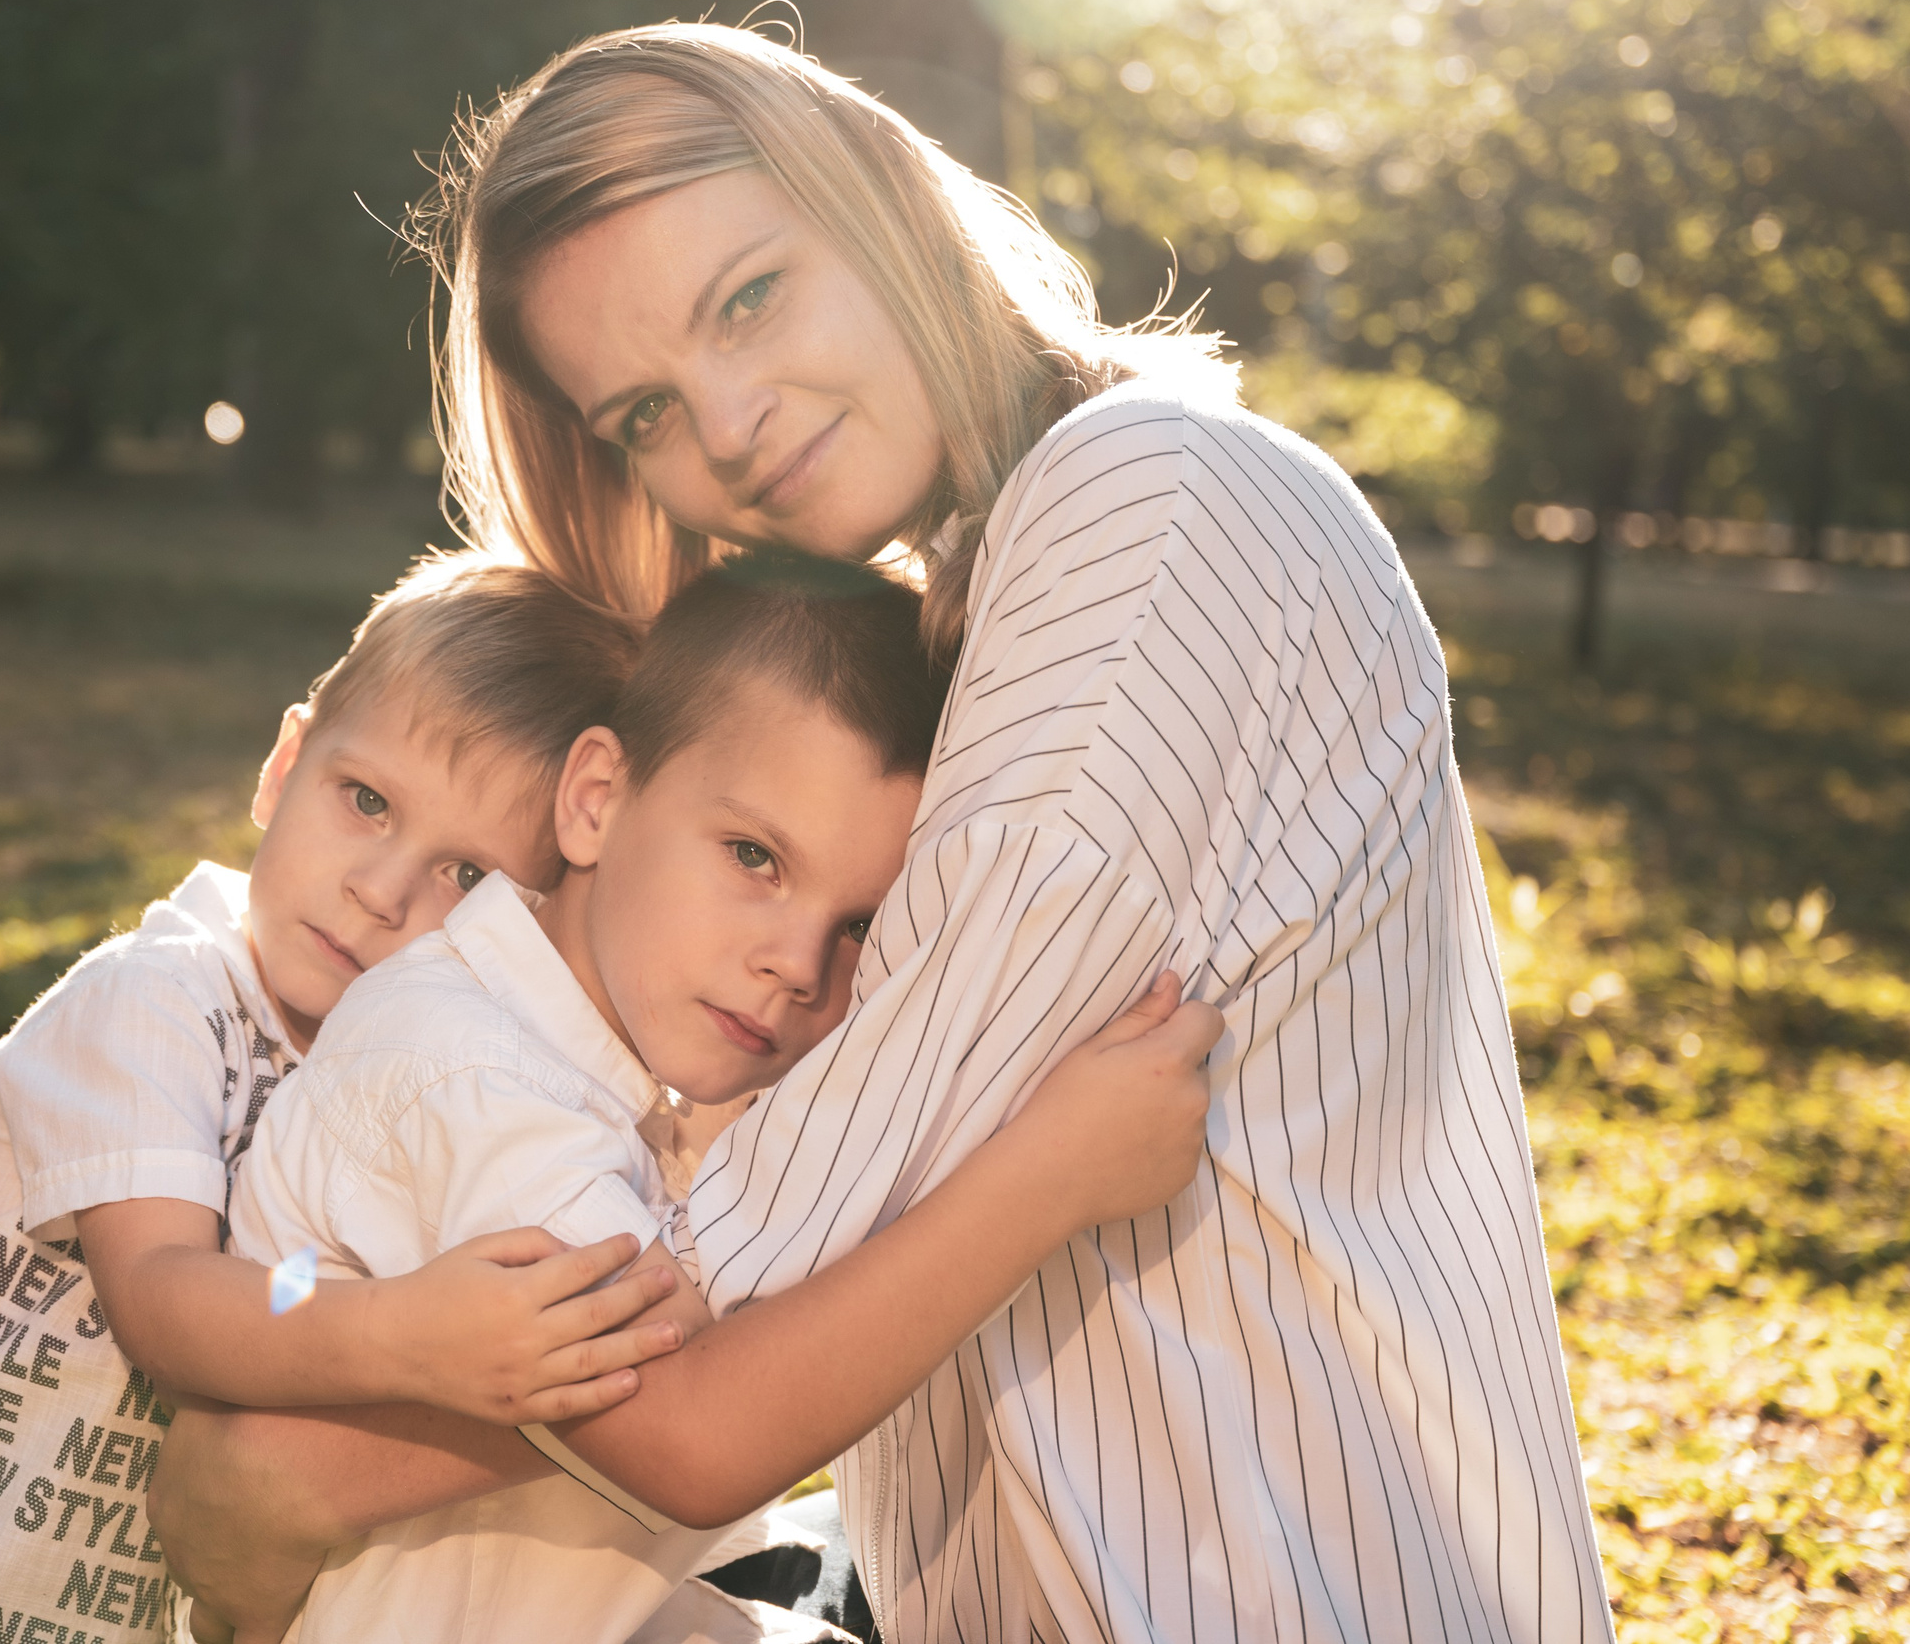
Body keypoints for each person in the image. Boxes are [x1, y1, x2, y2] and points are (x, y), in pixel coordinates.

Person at [172, 20, 1616, 1644]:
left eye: (750, 297)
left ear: (873, 196)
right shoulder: (948, 625)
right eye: (644, 409)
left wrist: (292, 1459)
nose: (723, 424)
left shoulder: (1144, 507)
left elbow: (721, 1284)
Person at [177, 551, 1218, 1644]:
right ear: (594, 800)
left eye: (858, 924)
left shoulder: (569, 1056)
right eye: (754, 855)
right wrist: (1051, 1173)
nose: (796, 962)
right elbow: (689, 1439)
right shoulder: (471, 1078)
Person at [0, 556, 694, 1644]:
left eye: (464, 876)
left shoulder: (412, 1066)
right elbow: (165, 1298)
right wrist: (410, 1336)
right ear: (284, 762)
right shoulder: (152, 999)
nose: (381, 888)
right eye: (366, 802)